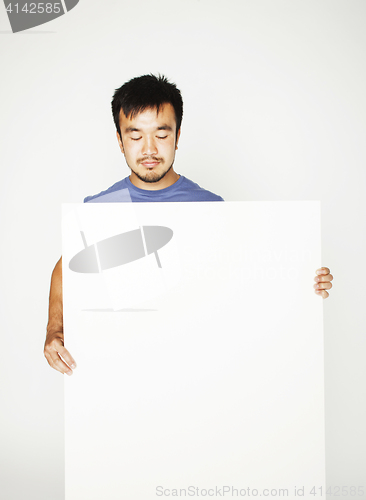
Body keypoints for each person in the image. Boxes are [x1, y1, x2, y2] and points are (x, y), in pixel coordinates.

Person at [44, 74, 333, 376]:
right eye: (135, 135)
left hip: (197, 373)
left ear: (178, 136)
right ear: (120, 140)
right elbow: (66, 269)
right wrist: (55, 329)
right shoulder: (100, 209)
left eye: (162, 134)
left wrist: (304, 281)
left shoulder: (211, 208)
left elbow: (246, 284)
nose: (149, 149)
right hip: (124, 375)